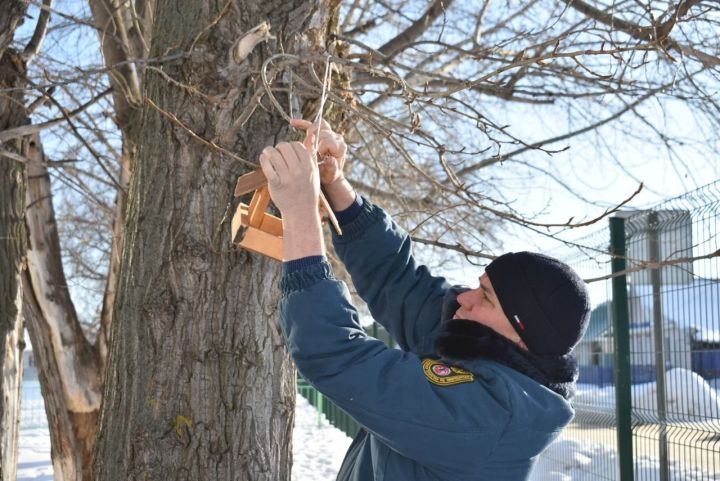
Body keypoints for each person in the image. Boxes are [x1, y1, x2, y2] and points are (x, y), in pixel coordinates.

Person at [257, 119, 591, 481]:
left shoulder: (486, 418)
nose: (466, 297)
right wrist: (335, 185)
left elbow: (334, 352)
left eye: (487, 299)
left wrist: (300, 214)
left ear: (523, 335)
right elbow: (398, 279)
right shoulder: (480, 343)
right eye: (480, 285)